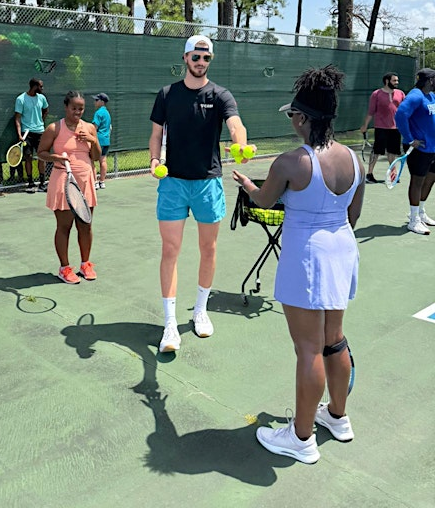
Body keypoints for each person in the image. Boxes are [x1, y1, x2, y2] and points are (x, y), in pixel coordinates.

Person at [232, 65, 364, 465]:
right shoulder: (354, 160)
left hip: (307, 257)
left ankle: (301, 439)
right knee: (334, 339)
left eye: (292, 114)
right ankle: (337, 419)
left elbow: (265, 201)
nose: (291, 120)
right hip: (342, 250)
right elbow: (352, 215)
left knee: (308, 349)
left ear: (304, 118)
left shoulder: (291, 162)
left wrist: (248, 186)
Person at [149, 35, 252, 354]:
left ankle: (200, 311)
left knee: (208, 249)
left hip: (208, 183)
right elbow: (155, 134)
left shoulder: (221, 95)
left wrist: (241, 145)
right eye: (196, 56)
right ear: (185, 58)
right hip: (173, 184)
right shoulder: (167, 94)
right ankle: (169, 324)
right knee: (170, 250)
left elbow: (236, 126)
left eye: (206, 57)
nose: (201, 62)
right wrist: (154, 160)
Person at [37, 91, 101, 284]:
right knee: (64, 226)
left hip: (85, 180)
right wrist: (54, 157)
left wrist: (92, 140)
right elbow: (41, 153)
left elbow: (96, 156)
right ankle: (64, 268)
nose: (77, 112)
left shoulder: (89, 127)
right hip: (63, 180)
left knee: (86, 224)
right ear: (66, 107)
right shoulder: (54, 128)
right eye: (74, 108)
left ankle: (85, 264)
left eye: (81, 108)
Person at [393, 67, 435, 235]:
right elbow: (400, 115)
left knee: (431, 178)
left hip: (432, 147)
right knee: (418, 181)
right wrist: (410, 139)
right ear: (430, 80)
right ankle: (413, 219)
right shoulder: (415, 95)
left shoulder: (431, 96)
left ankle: (421, 212)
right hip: (419, 148)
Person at [359, 72, 405, 183]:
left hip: (396, 128)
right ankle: (369, 174)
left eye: (397, 81)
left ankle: (392, 174)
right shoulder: (376, 94)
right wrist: (365, 126)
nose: (397, 83)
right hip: (381, 127)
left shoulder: (401, 93)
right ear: (387, 81)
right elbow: (371, 112)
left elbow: (405, 110)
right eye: (394, 80)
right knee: (376, 151)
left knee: (392, 152)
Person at [14, 78, 49, 193]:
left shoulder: (42, 98)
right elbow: (17, 118)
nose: (42, 88)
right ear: (34, 86)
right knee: (28, 158)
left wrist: (41, 122)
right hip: (26, 134)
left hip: (40, 132)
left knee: (42, 157)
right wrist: (20, 134)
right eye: (40, 86)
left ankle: (43, 183)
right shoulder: (21, 99)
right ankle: (30, 183)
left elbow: (45, 110)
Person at [92, 93, 112, 189]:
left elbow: (94, 128)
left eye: (96, 100)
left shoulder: (98, 113)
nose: (95, 102)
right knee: (103, 160)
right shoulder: (107, 113)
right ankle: (102, 182)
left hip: (98, 140)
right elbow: (110, 127)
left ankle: (95, 182)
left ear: (102, 102)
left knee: (91, 161)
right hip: (106, 141)